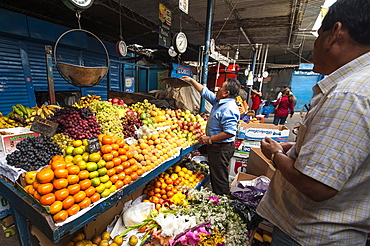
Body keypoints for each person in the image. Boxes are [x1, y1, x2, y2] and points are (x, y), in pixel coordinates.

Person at [257, 0, 370, 245]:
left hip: (309, 235)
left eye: (318, 36)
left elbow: (317, 185)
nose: (314, 45)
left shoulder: (349, 95)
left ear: (335, 34)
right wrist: (298, 150)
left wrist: (276, 154)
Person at [181, 76, 241, 195]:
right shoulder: (220, 102)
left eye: (221, 87)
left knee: (219, 178)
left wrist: (209, 139)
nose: (218, 88)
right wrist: (192, 81)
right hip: (216, 147)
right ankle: (219, 197)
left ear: (226, 93)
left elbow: (229, 132)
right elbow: (205, 92)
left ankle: (222, 201)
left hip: (221, 149)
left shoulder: (228, 108)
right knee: (216, 174)